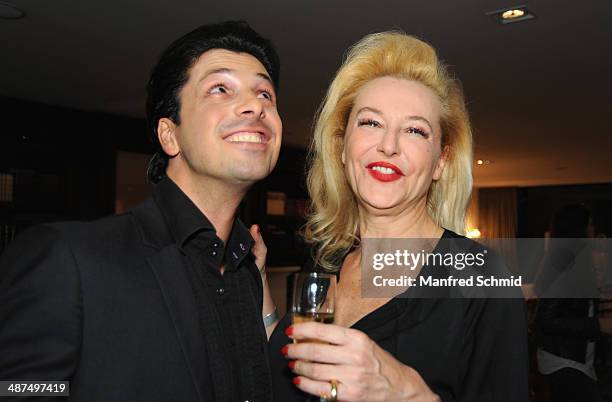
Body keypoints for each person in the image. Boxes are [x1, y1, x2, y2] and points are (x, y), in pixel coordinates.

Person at [0, 21, 281, 402]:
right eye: (219, 88)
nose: (256, 105)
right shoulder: (70, 258)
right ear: (170, 134)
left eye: (265, 92)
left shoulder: (246, 274)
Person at [267, 31, 529, 401]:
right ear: (342, 147)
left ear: (440, 161)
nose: (388, 145)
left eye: (414, 130)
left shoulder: (481, 279)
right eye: (371, 123)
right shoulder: (326, 264)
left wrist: (408, 394)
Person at [535, 204, 612, 402]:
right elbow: (546, 318)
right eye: (590, 224)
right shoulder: (567, 258)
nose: (593, 230)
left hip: (571, 357)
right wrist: (599, 324)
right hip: (564, 361)